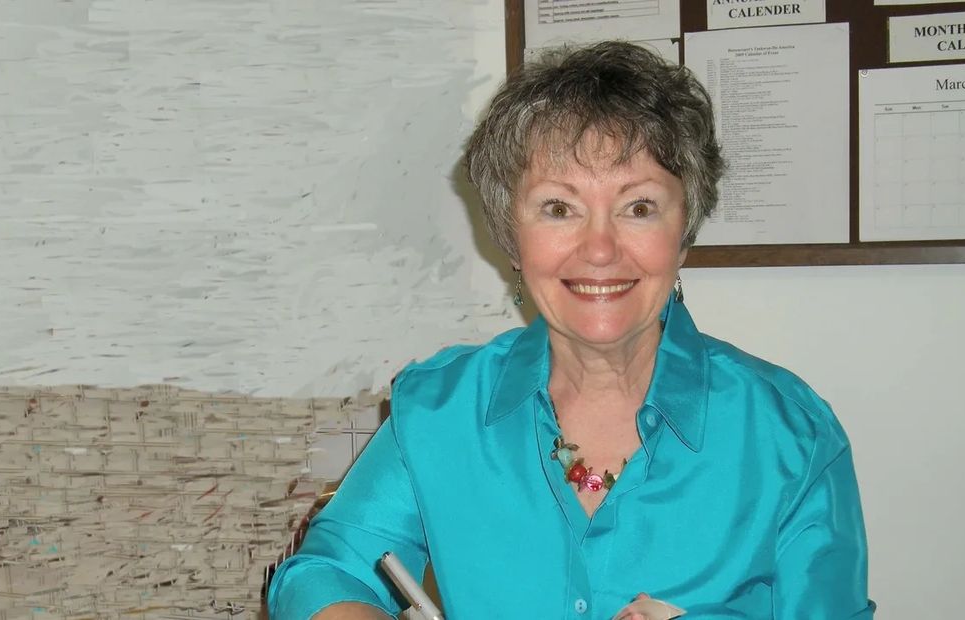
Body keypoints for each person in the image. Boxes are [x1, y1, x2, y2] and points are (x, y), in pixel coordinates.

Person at [267, 41, 875, 620]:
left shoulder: (789, 435)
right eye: (559, 208)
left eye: (638, 207)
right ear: (512, 234)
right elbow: (324, 571)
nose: (601, 250)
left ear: (683, 228)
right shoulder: (440, 410)